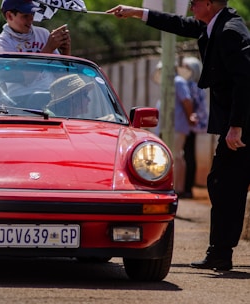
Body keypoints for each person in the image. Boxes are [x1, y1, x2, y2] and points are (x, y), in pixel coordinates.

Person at [107, 1, 250, 271]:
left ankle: (220, 252)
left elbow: (245, 79)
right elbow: (177, 23)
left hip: (243, 127)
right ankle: (220, 252)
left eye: (194, 2)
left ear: (208, 3)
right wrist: (137, 12)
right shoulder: (214, 23)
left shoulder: (230, 30)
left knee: (224, 184)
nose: (191, 6)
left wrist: (237, 125)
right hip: (238, 124)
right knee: (223, 184)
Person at [152, 61, 196, 198]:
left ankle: (177, 188)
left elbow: (187, 101)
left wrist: (189, 118)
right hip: (170, 126)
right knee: (174, 156)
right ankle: (176, 187)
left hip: (177, 126)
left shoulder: (178, 81)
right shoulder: (170, 83)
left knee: (175, 156)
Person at [0, 0, 71, 55]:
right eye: (25, 16)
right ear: (9, 16)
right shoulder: (2, 42)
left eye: (32, 14)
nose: (31, 19)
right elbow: (21, 76)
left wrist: (65, 51)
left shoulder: (43, 34)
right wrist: (49, 48)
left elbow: (61, 71)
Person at [180, 56, 208, 199]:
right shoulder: (196, 85)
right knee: (189, 155)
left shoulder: (190, 85)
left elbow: (190, 105)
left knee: (188, 156)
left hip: (190, 126)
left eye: (187, 68)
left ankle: (187, 188)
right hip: (194, 125)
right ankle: (188, 187)